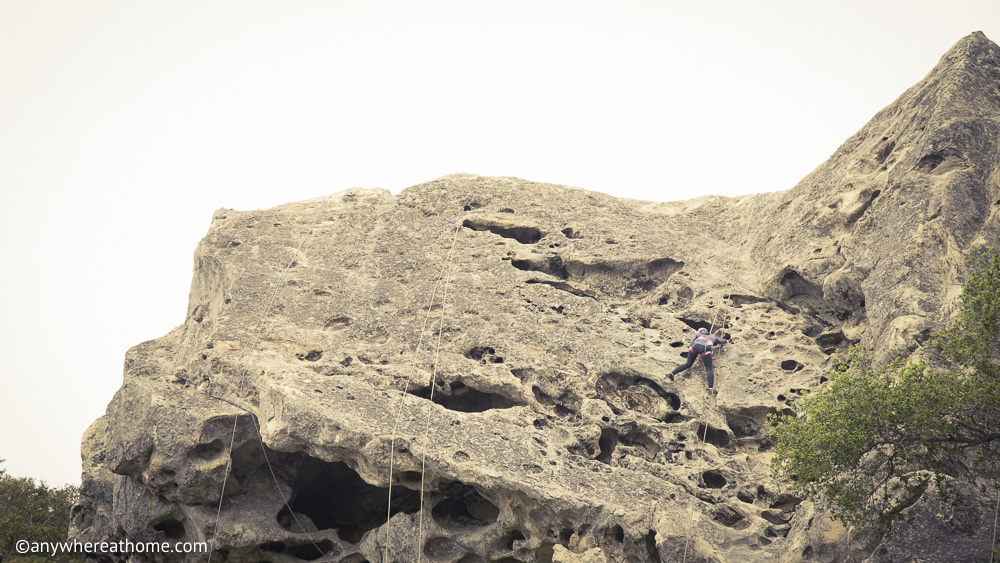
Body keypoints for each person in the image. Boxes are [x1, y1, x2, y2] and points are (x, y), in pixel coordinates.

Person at [669, 328, 728, 394]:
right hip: (705, 349)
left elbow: (691, 343)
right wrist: (726, 340)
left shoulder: (699, 334)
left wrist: (691, 347)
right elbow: (721, 341)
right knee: (709, 369)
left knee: (688, 364)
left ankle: (672, 373)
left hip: (694, 346)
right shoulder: (713, 337)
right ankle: (711, 388)